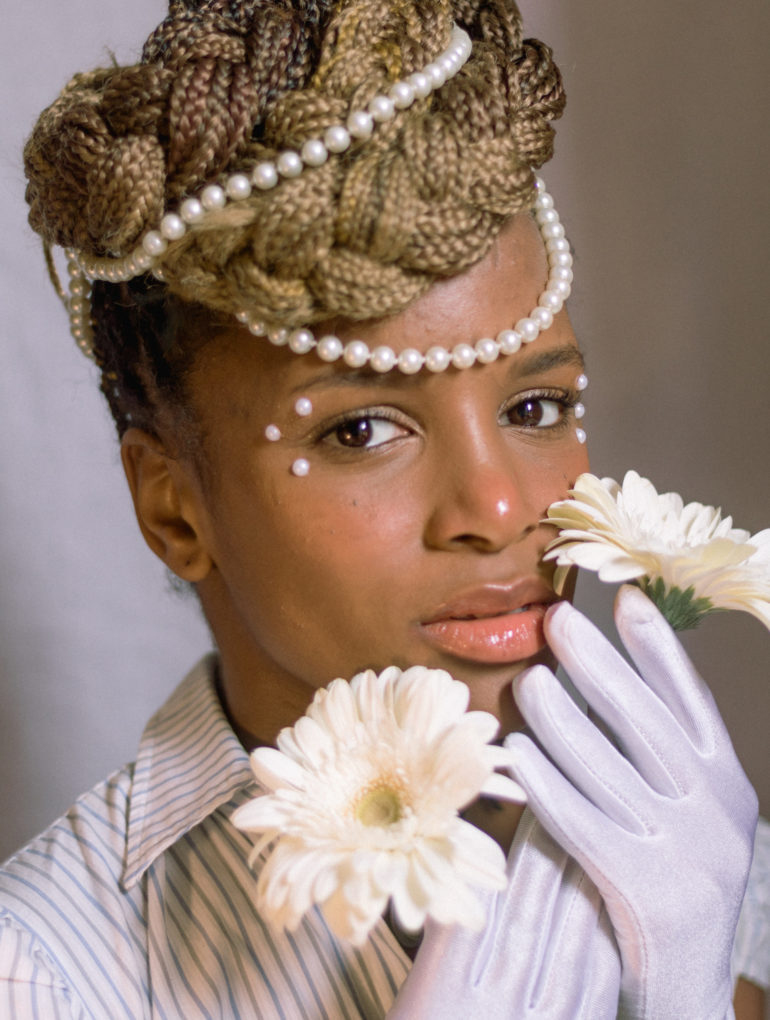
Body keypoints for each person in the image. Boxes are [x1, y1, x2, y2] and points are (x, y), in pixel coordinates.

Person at [0, 0, 763, 1015]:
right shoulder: (44, 973)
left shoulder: (696, 863)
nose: (498, 507)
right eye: (359, 430)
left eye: (535, 408)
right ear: (174, 511)